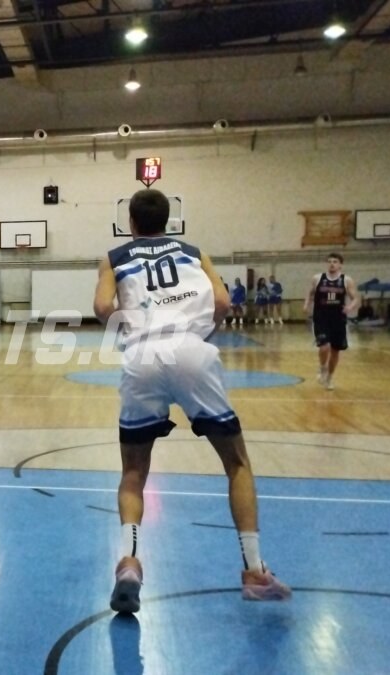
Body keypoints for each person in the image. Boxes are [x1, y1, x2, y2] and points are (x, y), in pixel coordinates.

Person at [93, 188, 291, 614]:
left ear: (131, 223)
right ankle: (254, 570)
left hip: (142, 356)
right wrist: (203, 332)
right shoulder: (195, 253)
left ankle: (129, 562)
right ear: (169, 222)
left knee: (133, 473)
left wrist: (130, 329)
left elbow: (102, 306)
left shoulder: (114, 257)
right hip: (191, 350)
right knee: (237, 463)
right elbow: (222, 301)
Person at [303, 253, 361, 390]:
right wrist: (306, 304)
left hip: (338, 319)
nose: (332, 264)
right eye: (329, 261)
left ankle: (329, 378)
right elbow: (310, 293)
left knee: (335, 351)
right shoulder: (318, 278)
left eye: (335, 261)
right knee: (324, 347)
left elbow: (356, 298)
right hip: (321, 318)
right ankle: (322, 367)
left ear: (340, 265)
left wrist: (350, 307)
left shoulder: (346, 280)